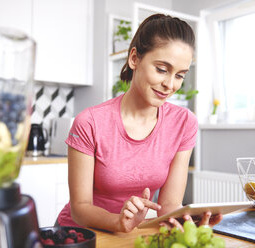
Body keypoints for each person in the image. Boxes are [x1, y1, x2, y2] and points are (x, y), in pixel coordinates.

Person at [56, 13, 222, 232]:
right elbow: (80, 208)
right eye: (162, 70)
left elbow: (169, 204)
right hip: (80, 235)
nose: (170, 84)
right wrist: (118, 221)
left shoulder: (184, 123)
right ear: (134, 58)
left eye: (180, 75)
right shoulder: (90, 122)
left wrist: (185, 220)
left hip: (132, 233)